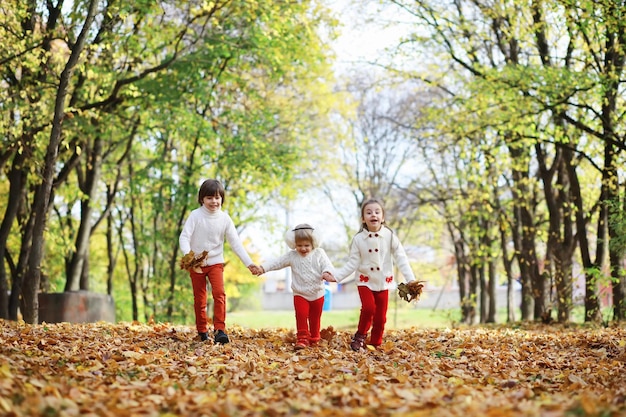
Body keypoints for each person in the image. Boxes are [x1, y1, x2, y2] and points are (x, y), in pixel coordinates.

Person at [329, 198, 417, 351]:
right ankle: (360, 336)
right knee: (369, 308)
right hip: (365, 281)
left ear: (383, 217)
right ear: (363, 218)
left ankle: (375, 342)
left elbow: (401, 258)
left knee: (381, 317)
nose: (373, 215)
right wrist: (336, 277)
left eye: (377, 212)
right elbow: (352, 263)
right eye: (368, 212)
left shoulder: (389, 236)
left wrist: (411, 280)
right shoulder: (358, 239)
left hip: (383, 282)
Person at [179, 179, 260, 344]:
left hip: (216, 262)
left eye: (217, 197)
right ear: (202, 199)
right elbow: (184, 237)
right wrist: (189, 256)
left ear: (222, 199)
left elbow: (236, 243)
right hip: (196, 264)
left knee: (219, 294)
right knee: (200, 298)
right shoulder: (195, 216)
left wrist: (249, 263)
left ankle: (220, 330)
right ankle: (202, 331)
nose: (214, 201)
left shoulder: (225, 219)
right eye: (209, 198)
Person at [256, 224, 335, 350]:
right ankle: (302, 339)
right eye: (299, 245)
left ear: (313, 243)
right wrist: (263, 268)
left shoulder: (319, 253)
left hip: (318, 293)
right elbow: (277, 262)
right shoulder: (292, 256)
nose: (303, 248)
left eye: (306, 245)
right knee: (301, 314)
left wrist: (327, 273)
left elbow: (327, 265)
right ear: (294, 244)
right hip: (300, 293)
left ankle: (314, 338)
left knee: (315, 318)